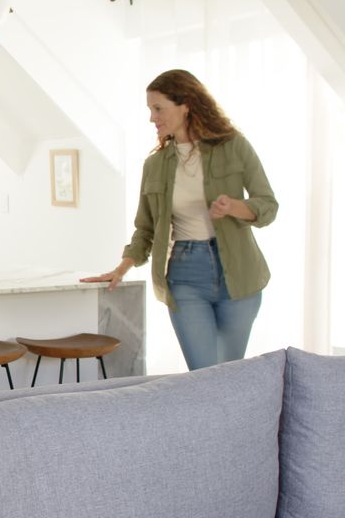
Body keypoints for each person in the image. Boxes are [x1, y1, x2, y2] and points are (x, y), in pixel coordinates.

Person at [80, 69, 277, 370]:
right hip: (186, 275)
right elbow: (145, 228)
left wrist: (234, 207)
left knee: (230, 374)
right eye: (150, 109)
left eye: (158, 108)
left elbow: (267, 205)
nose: (152, 117)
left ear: (186, 105)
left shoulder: (234, 146)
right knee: (203, 374)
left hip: (239, 274)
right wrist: (121, 267)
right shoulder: (155, 165)